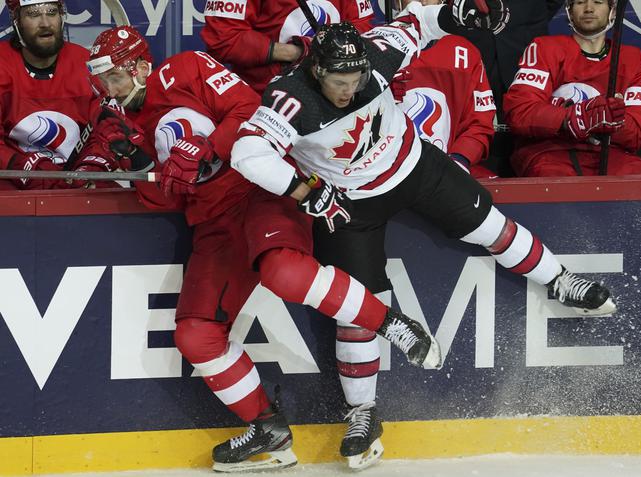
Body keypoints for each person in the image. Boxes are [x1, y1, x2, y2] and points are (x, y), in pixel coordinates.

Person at [229, 4, 616, 470]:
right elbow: (247, 154)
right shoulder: (290, 97)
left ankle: (559, 279)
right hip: (348, 202)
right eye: (338, 83)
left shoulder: (378, 52)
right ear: (315, 69)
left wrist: (460, 10)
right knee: (359, 306)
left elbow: (421, 21)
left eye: (356, 82)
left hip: (415, 167)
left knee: (490, 227)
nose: (349, 92)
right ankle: (363, 413)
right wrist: (303, 190)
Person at [85, 25, 442, 473]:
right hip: (213, 224)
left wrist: (208, 147)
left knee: (285, 272)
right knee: (195, 335)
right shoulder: (117, 125)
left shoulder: (186, 68)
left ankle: (392, 324)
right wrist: (138, 164)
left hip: (259, 191)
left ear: (140, 66)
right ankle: (268, 430)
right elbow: (168, 196)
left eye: (114, 78)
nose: (109, 90)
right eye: (102, 82)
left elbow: (250, 109)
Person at [503, 0, 641, 176]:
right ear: (569, 12)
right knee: (557, 192)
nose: (588, 8)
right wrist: (570, 118)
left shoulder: (634, 60)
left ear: (613, 11)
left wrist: (612, 119)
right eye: (580, 2)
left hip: (612, 154)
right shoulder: (544, 49)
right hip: (549, 152)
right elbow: (520, 111)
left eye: (598, 2)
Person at [0, 0, 119, 190]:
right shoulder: (2, 63)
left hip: (77, 179)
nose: (46, 23)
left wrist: (93, 162)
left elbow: (108, 126)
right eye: (33, 14)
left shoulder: (87, 64)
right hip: (12, 181)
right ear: (17, 21)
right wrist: (22, 166)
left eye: (52, 12)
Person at [201, 0, 375, 94]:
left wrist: (338, 48)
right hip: (269, 99)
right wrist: (297, 52)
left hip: (333, 94)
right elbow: (224, 39)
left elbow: (362, 28)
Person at [393, 33, 497, 178]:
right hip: (383, 171)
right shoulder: (376, 48)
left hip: (445, 169)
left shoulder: (465, 53)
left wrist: (459, 160)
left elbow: (479, 124)